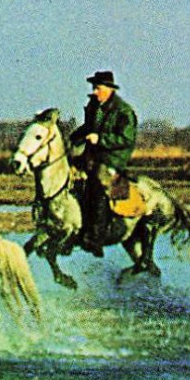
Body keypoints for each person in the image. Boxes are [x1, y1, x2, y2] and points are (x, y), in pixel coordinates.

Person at [69, 69, 138, 254]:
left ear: (109, 89)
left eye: (97, 88)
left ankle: (95, 237)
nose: (94, 91)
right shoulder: (93, 106)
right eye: (94, 88)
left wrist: (100, 139)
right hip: (93, 154)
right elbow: (87, 128)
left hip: (113, 157)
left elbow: (126, 139)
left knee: (98, 182)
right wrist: (72, 138)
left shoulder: (124, 111)